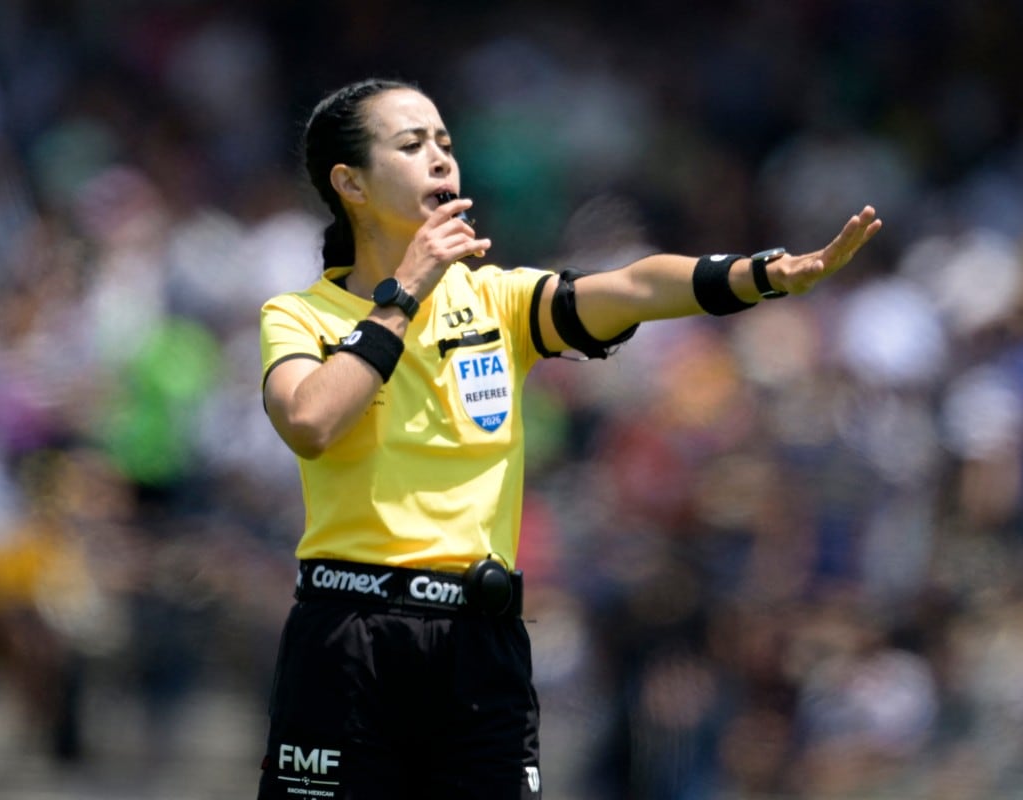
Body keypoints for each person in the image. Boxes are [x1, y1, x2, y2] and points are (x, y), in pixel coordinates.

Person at [256, 76, 882, 800]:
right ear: (350, 184)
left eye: (445, 144)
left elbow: (638, 288)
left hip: (479, 647)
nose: (440, 159)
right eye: (411, 143)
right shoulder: (301, 315)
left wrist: (765, 274)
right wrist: (405, 293)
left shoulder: (498, 301)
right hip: (351, 640)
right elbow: (310, 421)